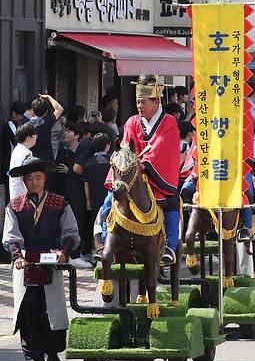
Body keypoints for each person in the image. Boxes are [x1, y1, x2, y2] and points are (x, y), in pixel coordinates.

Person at [3, 157, 80, 361]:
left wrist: (64, 253)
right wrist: (17, 256)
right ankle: (37, 358)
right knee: (28, 313)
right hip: (25, 264)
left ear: (44, 178)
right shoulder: (15, 206)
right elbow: (12, 236)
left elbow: (70, 232)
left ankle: (54, 355)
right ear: (24, 182)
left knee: (52, 312)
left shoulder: (59, 203)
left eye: (38, 177)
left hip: (51, 263)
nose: (34, 182)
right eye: (30, 178)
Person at [103, 74, 181, 264]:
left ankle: (170, 246)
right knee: (108, 201)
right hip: (131, 174)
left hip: (156, 176)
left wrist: (143, 163)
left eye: (144, 102)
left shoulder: (168, 121)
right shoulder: (132, 122)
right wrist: (130, 163)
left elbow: (162, 148)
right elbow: (125, 147)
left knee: (171, 202)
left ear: (156, 101)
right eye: (138, 102)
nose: (140, 106)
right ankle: (104, 239)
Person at [54, 122, 91, 268]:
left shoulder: (82, 151)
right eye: (65, 130)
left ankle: (76, 253)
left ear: (77, 136)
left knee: (78, 220)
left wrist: (69, 171)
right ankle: (68, 253)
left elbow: (81, 173)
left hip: (77, 191)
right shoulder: (62, 152)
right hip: (62, 191)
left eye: (69, 131)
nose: (65, 132)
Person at [83, 133, 111, 261]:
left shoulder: (88, 163)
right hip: (110, 199)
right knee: (109, 224)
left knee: (96, 225)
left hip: (94, 198)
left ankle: (97, 253)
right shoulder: (112, 161)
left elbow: (86, 183)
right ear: (107, 146)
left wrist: (88, 201)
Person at [26, 94, 64, 165]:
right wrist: (49, 97)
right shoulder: (47, 122)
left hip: (32, 163)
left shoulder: (26, 126)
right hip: (47, 162)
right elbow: (59, 109)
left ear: (33, 110)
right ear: (46, 112)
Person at [2, 101, 29, 198]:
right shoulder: (10, 125)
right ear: (14, 114)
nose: (21, 117)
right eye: (20, 115)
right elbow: (18, 140)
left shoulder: (16, 124)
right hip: (9, 163)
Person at [8, 124, 37, 200]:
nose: (36, 138)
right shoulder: (25, 154)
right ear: (28, 138)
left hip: (17, 192)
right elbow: (28, 176)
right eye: (35, 136)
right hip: (23, 194)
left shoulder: (18, 149)